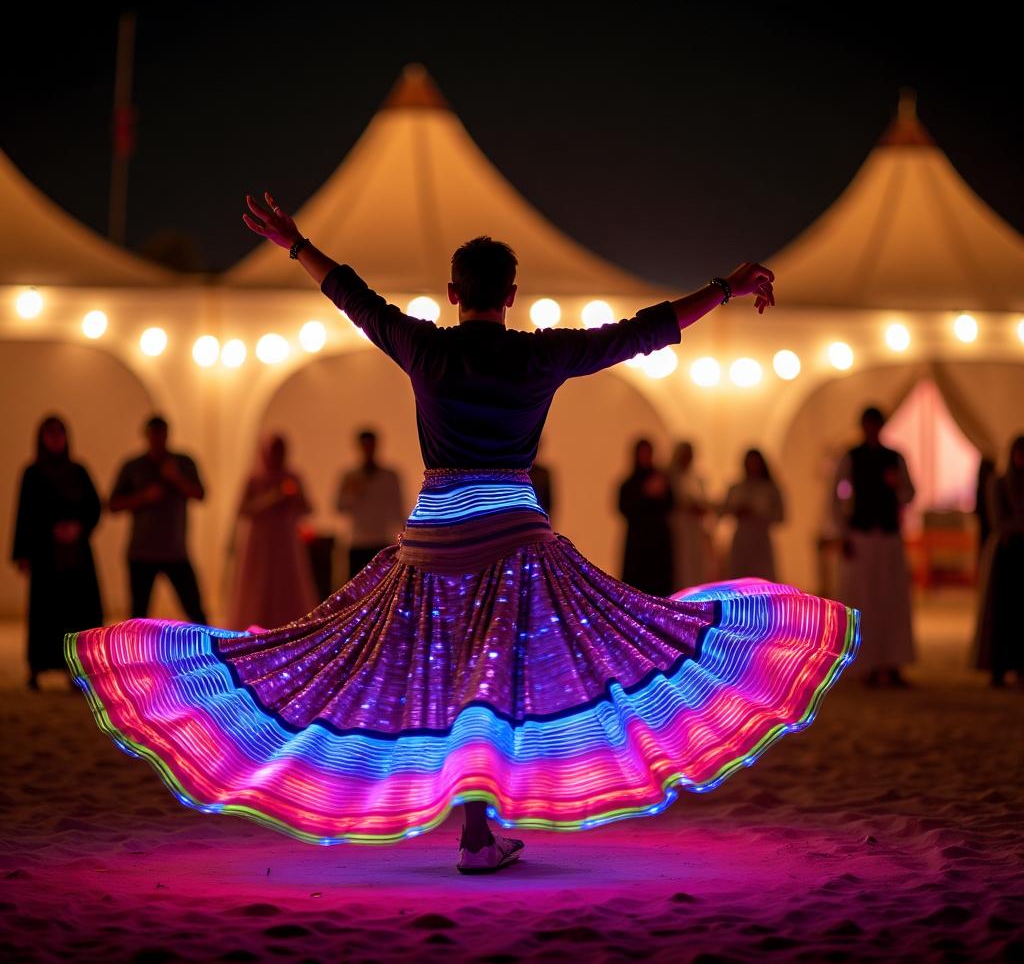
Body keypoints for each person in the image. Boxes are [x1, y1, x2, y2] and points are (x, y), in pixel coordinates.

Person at [64, 191, 858, 879]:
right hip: (514, 538)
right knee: (515, 678)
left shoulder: (426, 347)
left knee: (412, 676)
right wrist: (726, 285)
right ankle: (478, 831)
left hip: (434, 542)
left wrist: (296, 243)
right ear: (511, 294)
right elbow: (642, 330)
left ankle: (475, 829)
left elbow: (354, 297)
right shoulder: (540, 356)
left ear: (452, 292)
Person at [11, 416, 103, 691]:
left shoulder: (78, 471)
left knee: (78, 612)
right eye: (49, 434)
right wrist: (23, 552)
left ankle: (74, 671)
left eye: (59, 433)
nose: (55, 439)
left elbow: (94, 506)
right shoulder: (32, 472)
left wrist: (78, 527)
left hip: (77, 557)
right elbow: (24, 514)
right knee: (44, 613)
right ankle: (37, 667)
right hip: (45, 556)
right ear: (41, 438)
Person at [833, 406, 915, 688]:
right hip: (863, 535)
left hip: (889, 536)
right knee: (865, 600)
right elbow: (836, 496)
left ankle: (892, 663)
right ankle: (867, 665)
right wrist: (843, 533)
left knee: (892, 600)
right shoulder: (850, 458)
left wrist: (897, 485)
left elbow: (909, 493)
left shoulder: (895, 457)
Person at [108, 416, 208, 624]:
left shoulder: (182, 462)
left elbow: (200, 494)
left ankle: (212, 651)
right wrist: (144, 497)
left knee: (195, 609)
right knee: (138, 615)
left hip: (176, 551)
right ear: (146, 436)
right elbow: (113, 504)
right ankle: (134, 655)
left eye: (162, 435)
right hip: (142, 553)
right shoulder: (133, 466)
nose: (158, 440)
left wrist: (176, 479)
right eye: (154, 435)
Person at [225, 433, 318, 631]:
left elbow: (308, 508)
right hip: (260, 542)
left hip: (285, 540)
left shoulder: (292, 477)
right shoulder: (254, 478)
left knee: (286, 581)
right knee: (259, 581)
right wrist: (272, 498)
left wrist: (294, 498)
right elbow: (243, 509)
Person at [973, 435, 1024, 687]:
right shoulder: (999, 484)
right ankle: (999, 667)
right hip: (1006, 556)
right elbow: (998, 521)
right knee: (1002, 613)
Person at [335, 429, 405, 579]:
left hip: (381, 540)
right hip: (357, 541)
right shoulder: (350, 477)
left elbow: (398, 508)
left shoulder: (390, 476)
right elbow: (339, 507)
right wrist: (353, 494)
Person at [618, 439, 675, 595]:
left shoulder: (661, 480)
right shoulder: (628, 484)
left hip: (658, 543)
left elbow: (671, 505)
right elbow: (623, 508)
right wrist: (645, 493)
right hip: (637, 543)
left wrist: (659, 493)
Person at [721, 448, 785, 582]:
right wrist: (737, 510)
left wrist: (759, 513)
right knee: (740, 581)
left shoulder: (770, 488)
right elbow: (723, 510)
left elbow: (781, 516)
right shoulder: (736, 488)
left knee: (762, 581)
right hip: (742, 541)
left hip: (760, 540)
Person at [668, 440, 711, 591]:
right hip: (679, 529)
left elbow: (706, 502)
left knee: (696, 565)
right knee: (681, 565)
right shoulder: (671, 477)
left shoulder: (697, 479)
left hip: (696, 529)